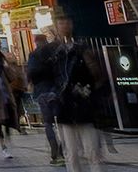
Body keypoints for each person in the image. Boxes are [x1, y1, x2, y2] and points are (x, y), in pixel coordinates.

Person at [51, 18, 109, 172]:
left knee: (92, 151)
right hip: (65, 107)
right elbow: (48, 77)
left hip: (84, 105)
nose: (64, 26)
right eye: (61, 23)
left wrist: (89, 90)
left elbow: (97, 74)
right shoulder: (55, 53)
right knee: (71, 153)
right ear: (56, 27)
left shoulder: (83, 48)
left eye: (67, 23)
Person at [28, 25, 72, 166]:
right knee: (61, 122)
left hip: (42, 92)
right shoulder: (55, 52)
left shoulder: (34, 55)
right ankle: (63, 150)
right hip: (56, 91)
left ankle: (56, 153)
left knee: (48, 124)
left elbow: (31, 74)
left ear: (36, 42)